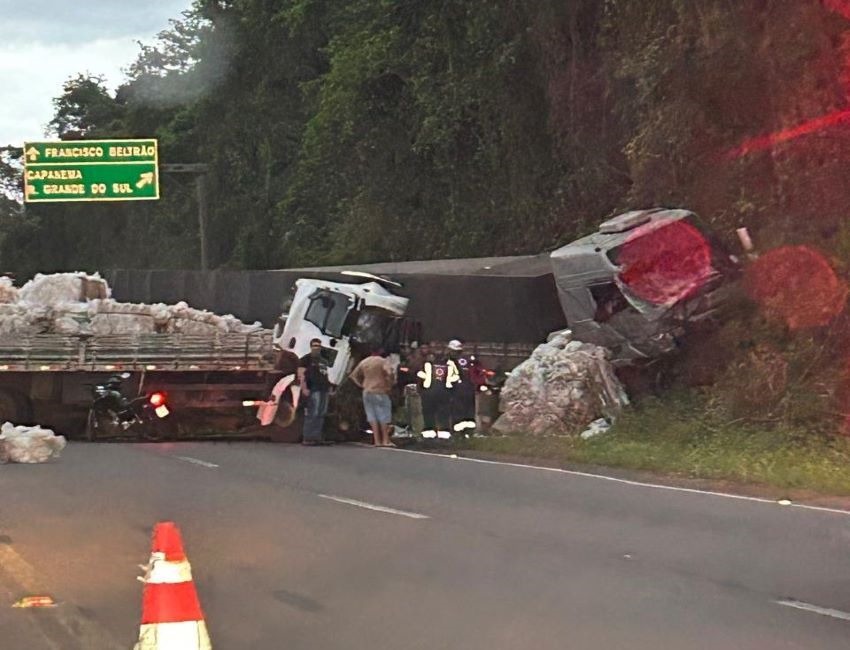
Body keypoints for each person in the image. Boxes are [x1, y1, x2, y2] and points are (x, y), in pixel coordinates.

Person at [350, 348, 396, 447]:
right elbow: (389, 372)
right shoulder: (382, 361)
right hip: (380, 391)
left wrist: (361, 384)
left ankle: (376, 441)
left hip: (367, 391)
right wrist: (390, 382)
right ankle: (385, 440)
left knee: (372, 416)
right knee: (384, 416)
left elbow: (353, 375)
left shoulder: (364, 362)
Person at [298, 338, 332, 445]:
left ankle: (317, 437)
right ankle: (307, 437)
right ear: (311, 346)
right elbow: (301, 375)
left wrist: (329, 387)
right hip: (313, 388)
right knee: (313, 412)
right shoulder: (305, 359)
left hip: (324, 389)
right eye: (314, 345)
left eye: (318, 345)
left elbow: (325, 374)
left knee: (321, 413)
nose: (316, 348)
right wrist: (304, 388)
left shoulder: (323, 360)